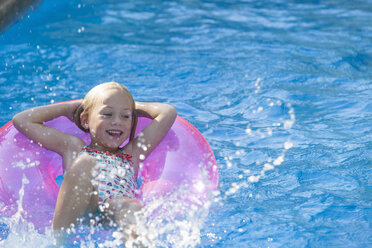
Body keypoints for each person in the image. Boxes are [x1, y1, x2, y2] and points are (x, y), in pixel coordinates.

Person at [12, 82, 177, 246]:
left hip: (111, 210)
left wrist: (131, 107)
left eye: (125, 116)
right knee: (86, 162)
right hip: (80, 207)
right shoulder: (74, 147)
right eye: (107, 114)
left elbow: (168, 112)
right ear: (85, 120)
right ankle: (60, 242)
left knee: (130, 206)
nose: (117, 121)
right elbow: (22, 120)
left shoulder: (131, 154)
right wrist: (68, 108)